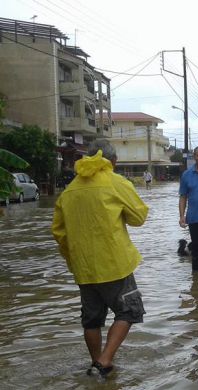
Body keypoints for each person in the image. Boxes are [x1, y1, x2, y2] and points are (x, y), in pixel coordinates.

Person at [51, 139, 149, 377]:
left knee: (92, 320)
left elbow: (58, 232)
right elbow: (138, 217)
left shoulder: (70, 189)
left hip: (83, 268)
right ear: (112, 161)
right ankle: (105, 360)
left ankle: (97, 364)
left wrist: (73, 260)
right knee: (129, 311)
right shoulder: (116, 182)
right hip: (115, 264)